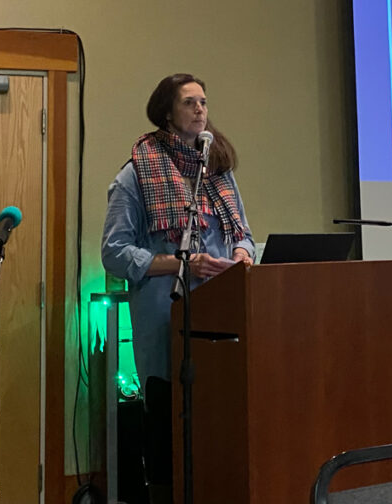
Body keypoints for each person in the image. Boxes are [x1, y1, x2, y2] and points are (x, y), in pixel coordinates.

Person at [101, 73, 255, 502]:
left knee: (219, 423)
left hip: (221, 319)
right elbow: (114, 251)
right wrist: (181, 264)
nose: (200, 109)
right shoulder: (137, 173)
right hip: (163, 320)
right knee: (170, 429)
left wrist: (243, 254)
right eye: (189, 102)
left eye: (204, 101)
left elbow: (243, 232)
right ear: (167, 113)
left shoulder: (219, 173)